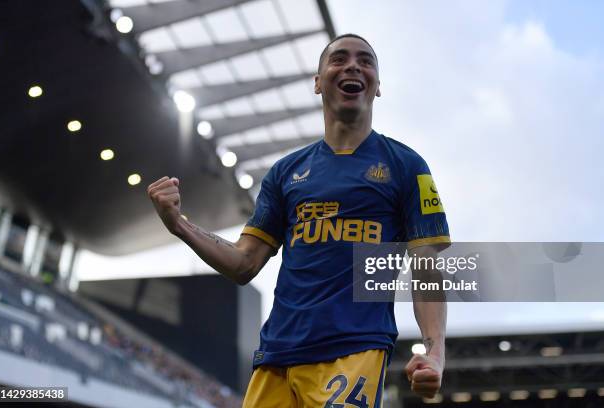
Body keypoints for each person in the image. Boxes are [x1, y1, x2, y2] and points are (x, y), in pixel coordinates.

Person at [148, 33, 450, 407]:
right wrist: (180, 224)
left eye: (366, 60)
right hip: (276, 357)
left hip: (353, 351)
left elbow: (426, 267)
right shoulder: (285, 172)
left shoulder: (407, 166)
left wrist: (435, 352)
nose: (353, 65)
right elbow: (244, 263)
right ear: (318, 82)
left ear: (378, 86)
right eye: (339, 59)